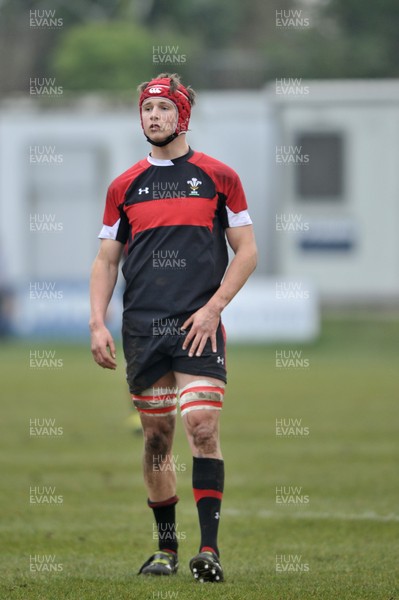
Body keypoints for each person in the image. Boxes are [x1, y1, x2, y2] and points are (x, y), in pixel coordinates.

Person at [89, 72, 257, 583]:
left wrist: (214, 308)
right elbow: (106, 261)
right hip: (143, 328)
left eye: (163, 108)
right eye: (146, 109)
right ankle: (165, 550)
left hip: (197, 326)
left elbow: (246, 251)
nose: (153, 116)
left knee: (201, 426)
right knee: (157, 438)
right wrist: (97, 322)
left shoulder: (218, 177)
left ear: (182, 115)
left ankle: (209, 551)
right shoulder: (124, 186)